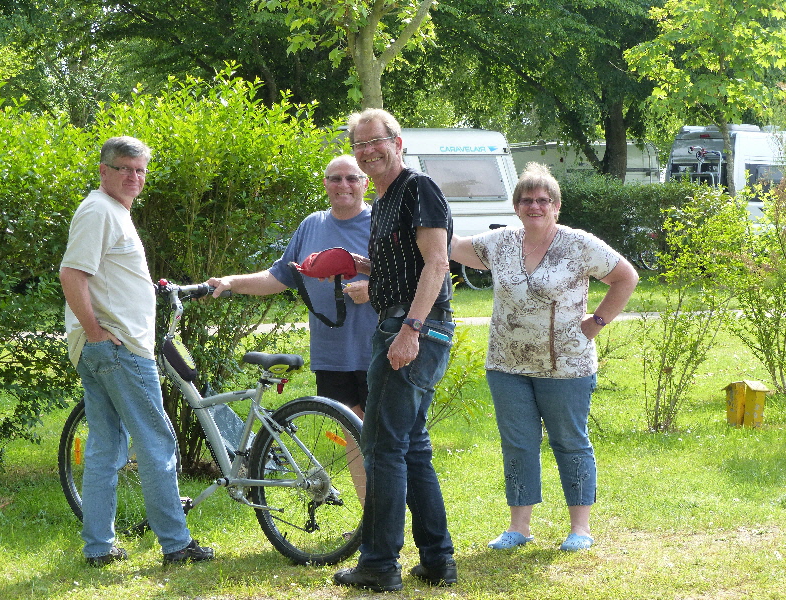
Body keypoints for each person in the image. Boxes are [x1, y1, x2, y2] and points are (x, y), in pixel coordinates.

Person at [450, 161, 639, 552]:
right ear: (516, 206)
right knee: (518, 443)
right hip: (507, 364)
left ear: (556, 205)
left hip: (566, 365)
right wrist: (424, 220)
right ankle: (518, 528)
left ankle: (580, 529)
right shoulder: (499, 242)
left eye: (542, 200)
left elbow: (627, 277)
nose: (534, 206)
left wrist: (597, 321)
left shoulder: (579, 243)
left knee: (570, 442)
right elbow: (451, 246)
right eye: (526, 200)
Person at [60, 136, 214, 566]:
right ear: (104, 171)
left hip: (108, 349)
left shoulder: (111, 212)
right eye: (125, 168)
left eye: (140, 170)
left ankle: (98, 548)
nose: (134, 177)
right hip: (118, 349)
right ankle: (176, 545)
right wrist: (94, 331)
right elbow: (71, 273)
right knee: (157, 443)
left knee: (106, 449)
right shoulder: (98, 211)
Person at [333, 109, 457, 593]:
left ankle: (380, 565)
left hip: (412, 330)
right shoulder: (384, 200)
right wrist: (364, 263)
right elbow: (405, 259)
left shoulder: (417, 187)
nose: (367, 152)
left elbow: (438, 263)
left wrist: (410, 329)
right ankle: (436, 560)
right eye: (359, 145)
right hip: (401, 324)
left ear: (397, 142)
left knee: (381, 445)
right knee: (412, 447)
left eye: (375, 142)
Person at [206, 155, 376, 422]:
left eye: (352, 178)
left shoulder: (380, 223)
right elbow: (279, 276)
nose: (344, 184)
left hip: (376, 350)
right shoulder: (312, 225)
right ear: (325, 184)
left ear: (365, 184)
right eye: (336, 178)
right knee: (352, 436)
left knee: (383, 439)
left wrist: (373, 289)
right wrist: (232, 282)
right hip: (331, 354)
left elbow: (410, 279)